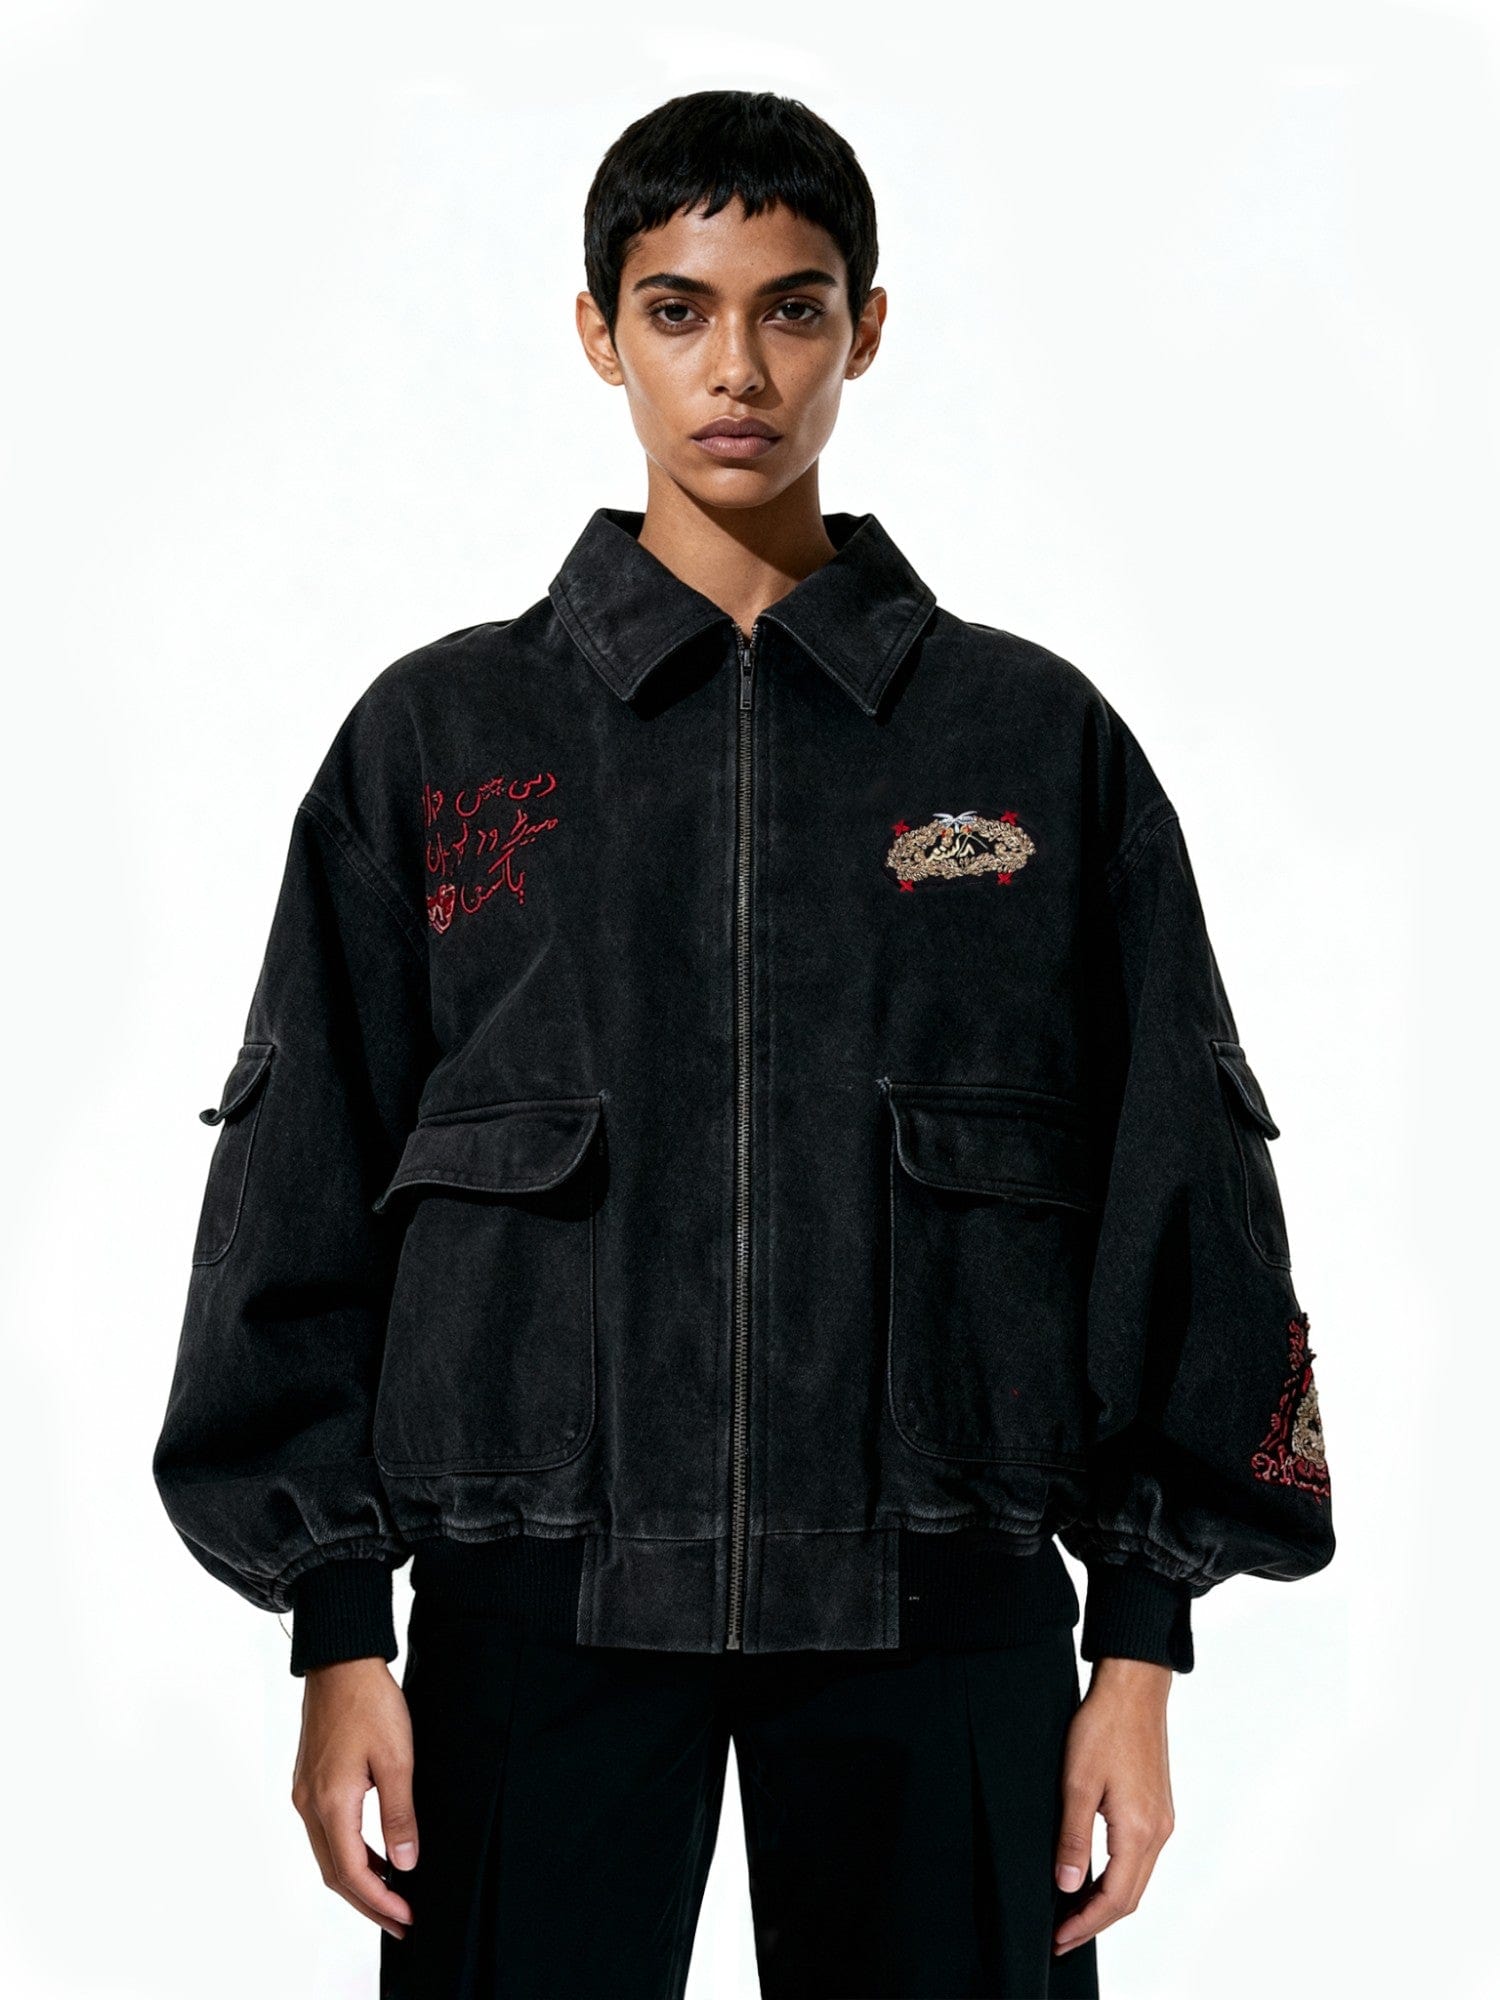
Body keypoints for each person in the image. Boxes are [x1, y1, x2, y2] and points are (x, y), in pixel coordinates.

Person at [153, 89, 1335, 1999]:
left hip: (944, 1607)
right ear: (597, 332)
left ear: (867, 330)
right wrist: (335, 1626)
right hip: (531, 1607)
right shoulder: (441, 743)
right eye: (678, 309)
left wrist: (1140, 1645)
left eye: (793, 310)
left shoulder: (1030, 744)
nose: (738, 370)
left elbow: (1179, 1186)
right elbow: (294, 1188)